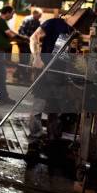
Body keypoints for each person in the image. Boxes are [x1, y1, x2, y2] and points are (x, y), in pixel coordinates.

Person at [28, 15, 74, 152]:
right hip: (46, 71)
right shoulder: (54, 23)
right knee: (38, 106)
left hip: (61, 75)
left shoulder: (72, 29)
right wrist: (36, 58)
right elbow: (33, 37)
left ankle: (53, 140)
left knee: (55, 110)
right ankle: (35, 140)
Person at [0, 6, 23, 103]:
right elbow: (10, 34)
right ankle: (3, 97)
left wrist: (21, 37)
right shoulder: (0, 21)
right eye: (12, 13)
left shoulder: (0, 21)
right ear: (7, 12)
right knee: (2, 75)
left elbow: (10, 32)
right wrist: (23, 39)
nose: (12, 15)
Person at [14, 8, 42, 82]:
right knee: (24, 59)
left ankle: (18, 73)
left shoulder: (38, 22)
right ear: (34, 13)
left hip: (29, 43)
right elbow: (21, 31)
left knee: (26, 60)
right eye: (39, 15)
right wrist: (28, 38)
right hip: (23, 43)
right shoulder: (27, 20)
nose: (40, 17)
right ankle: (21, 75)